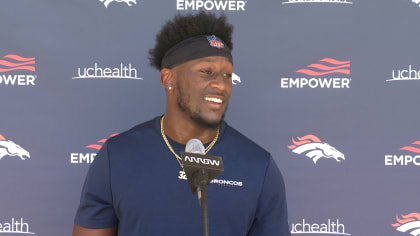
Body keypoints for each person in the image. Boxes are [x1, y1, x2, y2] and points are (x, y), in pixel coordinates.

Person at [72, 11, 291, 236]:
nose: (221, 85)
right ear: (168, 79)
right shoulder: (117, 156)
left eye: (227, 75)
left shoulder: (258, 166)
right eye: (207, 71)